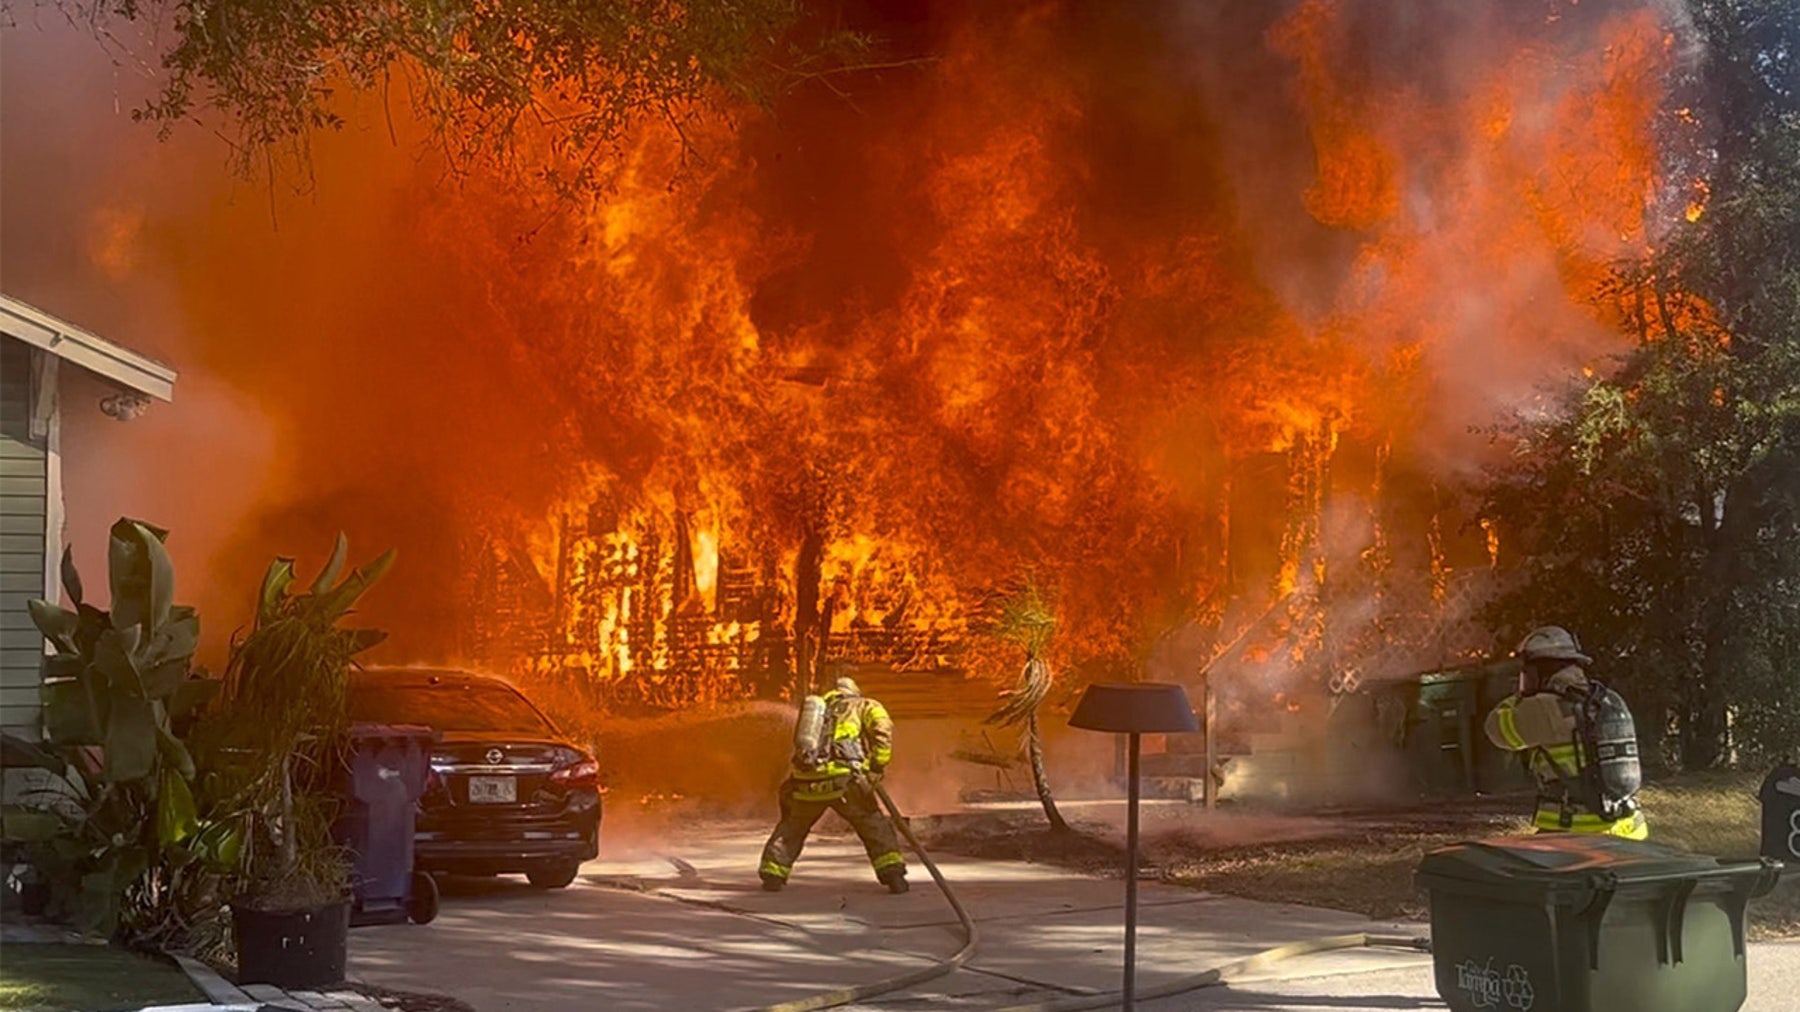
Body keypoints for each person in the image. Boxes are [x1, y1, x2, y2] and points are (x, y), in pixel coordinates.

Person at [1484, 625, 1648, 840]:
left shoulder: (1544, 706)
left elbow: (1496, 730)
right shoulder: (1609, 699)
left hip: (1577, 832)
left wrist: (1521, 696)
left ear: (1537, 671)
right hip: (1631, 829)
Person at [759, 675, 909, 893]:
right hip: (845, 780)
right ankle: (893, 876)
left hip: (806, 781)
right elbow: (882, 730)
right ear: (854, 691)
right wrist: (877, 765)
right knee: (874, 825)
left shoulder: (816, 712)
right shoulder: (865, 705)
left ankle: (772, 875)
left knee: (792, 828)